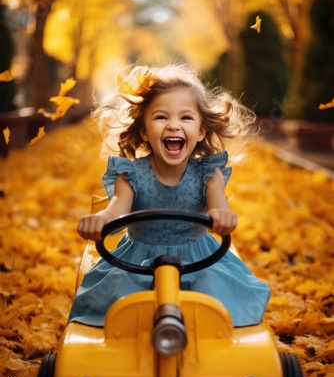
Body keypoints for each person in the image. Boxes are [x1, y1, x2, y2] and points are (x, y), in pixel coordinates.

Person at [68, 64, 270, 327]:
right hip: (139, 259)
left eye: (186, 118)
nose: (173, 125)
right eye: (161, 117)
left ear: (200, 131)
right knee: (123, 302)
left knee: (213, 299)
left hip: (198, 258)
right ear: (144, 131)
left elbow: (218, 205)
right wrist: (102, 219)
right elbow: (117, 208)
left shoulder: (209, 174)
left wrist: (221, 215)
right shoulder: (130, 174)